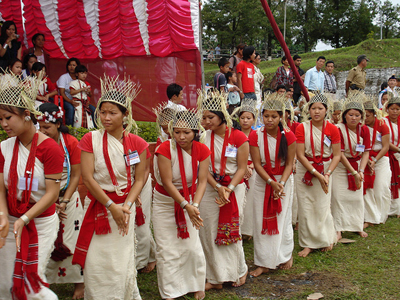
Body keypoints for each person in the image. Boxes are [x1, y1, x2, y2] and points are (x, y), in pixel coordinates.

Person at [72, 76, 145, 300]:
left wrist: (127, 205)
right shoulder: (89, 139)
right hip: (99, 203)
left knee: (121, 260)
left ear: (125, 115)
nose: (106, 117)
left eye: (112, 112)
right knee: (96, 259)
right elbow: (88, 176)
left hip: (125, 207)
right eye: (103, 112)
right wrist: (111, 205)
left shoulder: (137, 143)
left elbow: (140, 179)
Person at [0, 72, 63, 299]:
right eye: (0, 119)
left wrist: (25, 219)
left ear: (27, 115)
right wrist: (4, 215)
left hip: (40, 222)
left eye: (8, 117)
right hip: (11, 222)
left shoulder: (50, 149)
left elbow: (52, 194)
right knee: (6, 282)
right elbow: (1, 186)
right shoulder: (5, 147)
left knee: (30, 283)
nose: (4, 124)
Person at [153, 109, 209, 300]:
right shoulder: (164, 149)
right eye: (177, 132)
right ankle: (171, 290)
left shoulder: (202, 150)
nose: (181, 136)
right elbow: (167, 182)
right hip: (165, 203)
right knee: (167, 248)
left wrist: (195, 204)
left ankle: (196, 284)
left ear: (195, 131)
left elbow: (202, 181)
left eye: (186, 132)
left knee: (191, 247)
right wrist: (186, 205)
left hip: (191, 201)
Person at [198, 91, 249, 290]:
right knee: (209, 230)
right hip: (212, 188)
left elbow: (242, 168)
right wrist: (218, 187)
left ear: (222, 116)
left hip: (234, 188)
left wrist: (229, 189)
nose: (206, 121)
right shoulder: (203, 137)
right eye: (204, 117)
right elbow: (203, 169)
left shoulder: (238, 137)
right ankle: (215, 276)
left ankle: (238, 270)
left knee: (232, 230)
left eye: (210, 117)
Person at [37, 103, 84, 299]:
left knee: (72, 240)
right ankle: (43, 281)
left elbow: (75, 175)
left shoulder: (71, 142)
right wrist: (49, 201)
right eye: (39, 127)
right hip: (43, 199)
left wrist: (63, 201)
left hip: (68, 198)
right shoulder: (35, 143)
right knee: (44, 241)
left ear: (57, 124)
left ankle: (79, 283)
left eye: (46, 127)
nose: (42, 131)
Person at [249, 93, 296, 276]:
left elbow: (290, 163)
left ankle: (284, 255)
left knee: (282, 218)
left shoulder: (289, 136)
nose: (269, 120)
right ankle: (264, 261)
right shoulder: (255, 136)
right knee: (261, 218)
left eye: (274, 116)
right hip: (262, 181)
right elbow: (257, 164)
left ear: (281, 117)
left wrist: (281, 184)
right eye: (266, 116)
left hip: (283, 181)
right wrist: (270, 182)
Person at [295, 93, 341, 257]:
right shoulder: (302, 127)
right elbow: (300, 155)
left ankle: (325, 238)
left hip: (326, 168)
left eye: (320, 108)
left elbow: (337, 155)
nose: (316, 112)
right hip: (305, 169)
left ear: (326, 110)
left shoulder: (333, 128)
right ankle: (307, 244)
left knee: (322, 206)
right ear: (308, 110)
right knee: (306, 207)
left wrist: (327, 174)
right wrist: (315, 173)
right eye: (313, 108)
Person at [331, 94, 370, 240]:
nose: (353, 118)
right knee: (338, 198)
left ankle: (356, 226)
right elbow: (339, 154)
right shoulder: (338, 129)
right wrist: (353, 171)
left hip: (358, 166)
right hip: (341, 167)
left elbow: (366, 152)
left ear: (361, 116)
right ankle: (338, 228)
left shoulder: (364, 130)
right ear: (345, 116)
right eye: (350, 114)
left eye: (357, 115)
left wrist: (360, 170)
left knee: (357, 199)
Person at [231, 98, 257, 238]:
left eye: (248, 118)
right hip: (238, 169)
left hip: (253, 170)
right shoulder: (235, 134)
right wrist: (243, 167)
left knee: (251, 200)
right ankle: (239, 228)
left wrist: (251, 166)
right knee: (239, 199)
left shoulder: (257, 135)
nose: (245, 121)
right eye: (243, 118)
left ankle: (249, 230)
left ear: (254, 119)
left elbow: (260, 155)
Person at [363, 99, 391, 227]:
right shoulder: (361, 126)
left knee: (381, 187)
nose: (365, 118)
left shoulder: (382, 125)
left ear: (374, 114)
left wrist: (374, 160)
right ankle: (370, 216)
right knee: (368, 189)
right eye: (364, 115)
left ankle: (381, 215)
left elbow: (385, 146)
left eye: (368, 116)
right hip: (366, 158)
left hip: (380, 158)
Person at [383, 96, 400, 218]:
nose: (394, 111)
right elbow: (385, 141)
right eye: (392, 109)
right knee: (388, 181)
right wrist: (398, 150)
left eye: (397, 109)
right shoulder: (383, 122)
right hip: (389, 154)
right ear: (387, 109)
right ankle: (389, 208)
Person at [57, 58, 80, 126]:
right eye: (70, 65)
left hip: (78, 100)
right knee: (70, 108)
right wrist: (70, 101)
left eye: (74, 65)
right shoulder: (63, 77)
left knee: (93, 109)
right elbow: (62, 93)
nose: (72, 67)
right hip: (65, 100)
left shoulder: (79, 78)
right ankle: (69, 128)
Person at [69, 65, 94, 129]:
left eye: (85, 73)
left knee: (88, 120)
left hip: (85, 104)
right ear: (77, 74)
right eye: (82, 73)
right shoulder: (73, 83)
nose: (84, 75)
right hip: (78, 103)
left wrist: (88, 91)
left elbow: (90, 95)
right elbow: (72, 92)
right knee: (78, 119)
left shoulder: (86, 84)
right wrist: (82, 89)